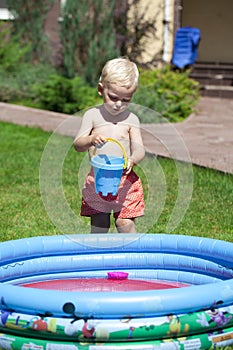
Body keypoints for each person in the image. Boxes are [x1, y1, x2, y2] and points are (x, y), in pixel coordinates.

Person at [74, 57, 145, 233]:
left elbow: (140, 149)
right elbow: (78, 144)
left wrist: (133, 159)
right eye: (113, 97)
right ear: (101, 89)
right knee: (99, 223)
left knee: (124, 223)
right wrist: (90, 139)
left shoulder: (131, 120)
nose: (119, 104)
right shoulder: (92, 115)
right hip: (98, 179)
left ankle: (133, 258)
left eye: (126, 99)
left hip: (125, 180)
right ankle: (98, 258)